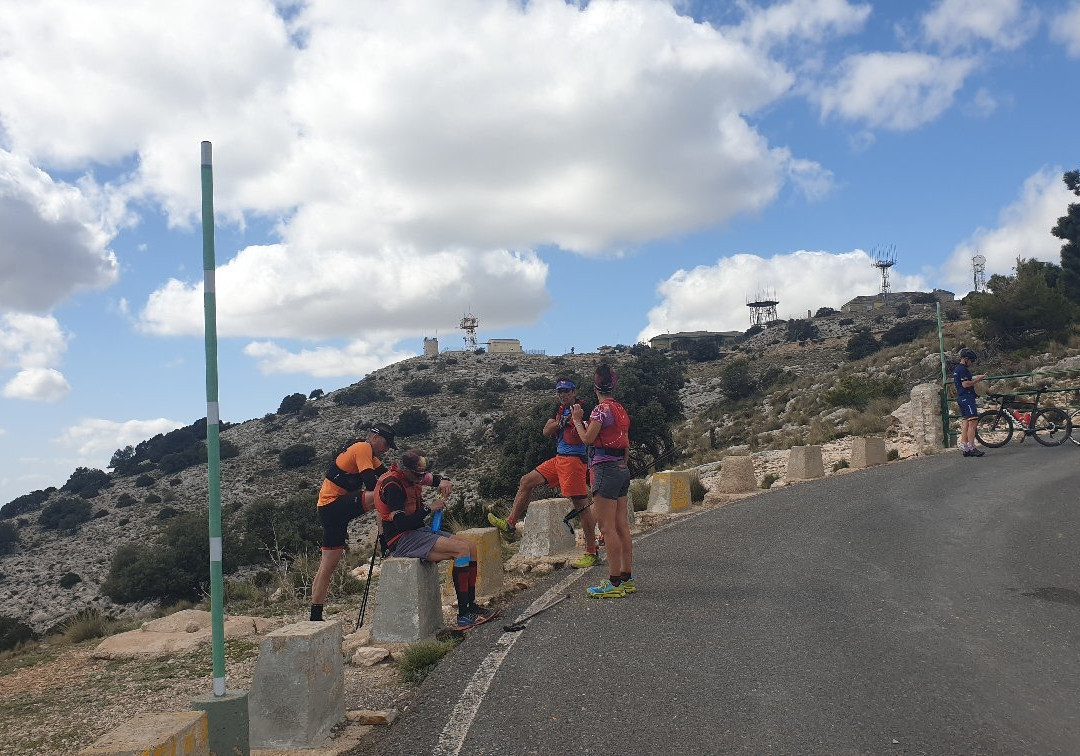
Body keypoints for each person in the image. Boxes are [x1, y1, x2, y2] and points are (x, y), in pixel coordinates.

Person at [488, 378, 601, 568]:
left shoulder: (585, 408)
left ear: (574, 392)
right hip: (559, 459)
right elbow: (546, 431)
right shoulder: (558, 409)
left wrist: (573, 421)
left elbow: (590, 432)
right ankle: (510, 523)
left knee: (581, 506)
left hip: (574, 461)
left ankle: (591, 551)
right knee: (526, 481)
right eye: (559, 392)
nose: (562, 395)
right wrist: (562, 422)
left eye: (566, 391)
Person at [375, 449, 494, 628]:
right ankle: (463, 613)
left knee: (470, 547)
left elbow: (436, 479)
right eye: (417, 475)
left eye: (421, 474)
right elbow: (401, 524)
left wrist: (444, 481)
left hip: (419, 531)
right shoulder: (393, 485)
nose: (420, 479)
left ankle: (472, 605)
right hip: (402, 539)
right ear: (405, 470)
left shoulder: (413, 476)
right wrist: (429, 508)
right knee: (461, 550)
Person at [309, 424, 396, 621]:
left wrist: (426, 479)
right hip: (333, 505)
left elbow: (388, 476)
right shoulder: (362, 448)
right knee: (381, 494)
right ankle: (386, 544)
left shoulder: (368, 454)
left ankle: (315, 615)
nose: (386, 449)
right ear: (375, 437)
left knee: (328, 565)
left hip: (328, 509)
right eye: (386, 444)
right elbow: (373, 484)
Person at [571, 364, 633, 598]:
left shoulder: (600, 410)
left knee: (607, 528)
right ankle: (626, 578)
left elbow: (587, 439)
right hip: (621, 469)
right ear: (613, 386)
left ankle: (614, 583)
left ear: (595, 386)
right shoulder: (620, 409)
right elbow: (625, 444)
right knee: (622, 525)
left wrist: (577, 420)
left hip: (605, 469)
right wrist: (622, 465)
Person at [953, 347, 987, 457]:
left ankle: (965, 447)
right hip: (966, 398)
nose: (972, 363)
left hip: (962, 397)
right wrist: (978, 379)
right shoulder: (963, 369)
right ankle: (972, 447)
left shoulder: (957, 369)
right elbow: (965, 384)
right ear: (966, 359)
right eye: (971, 360)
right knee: (973, 422)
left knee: (966, 423)